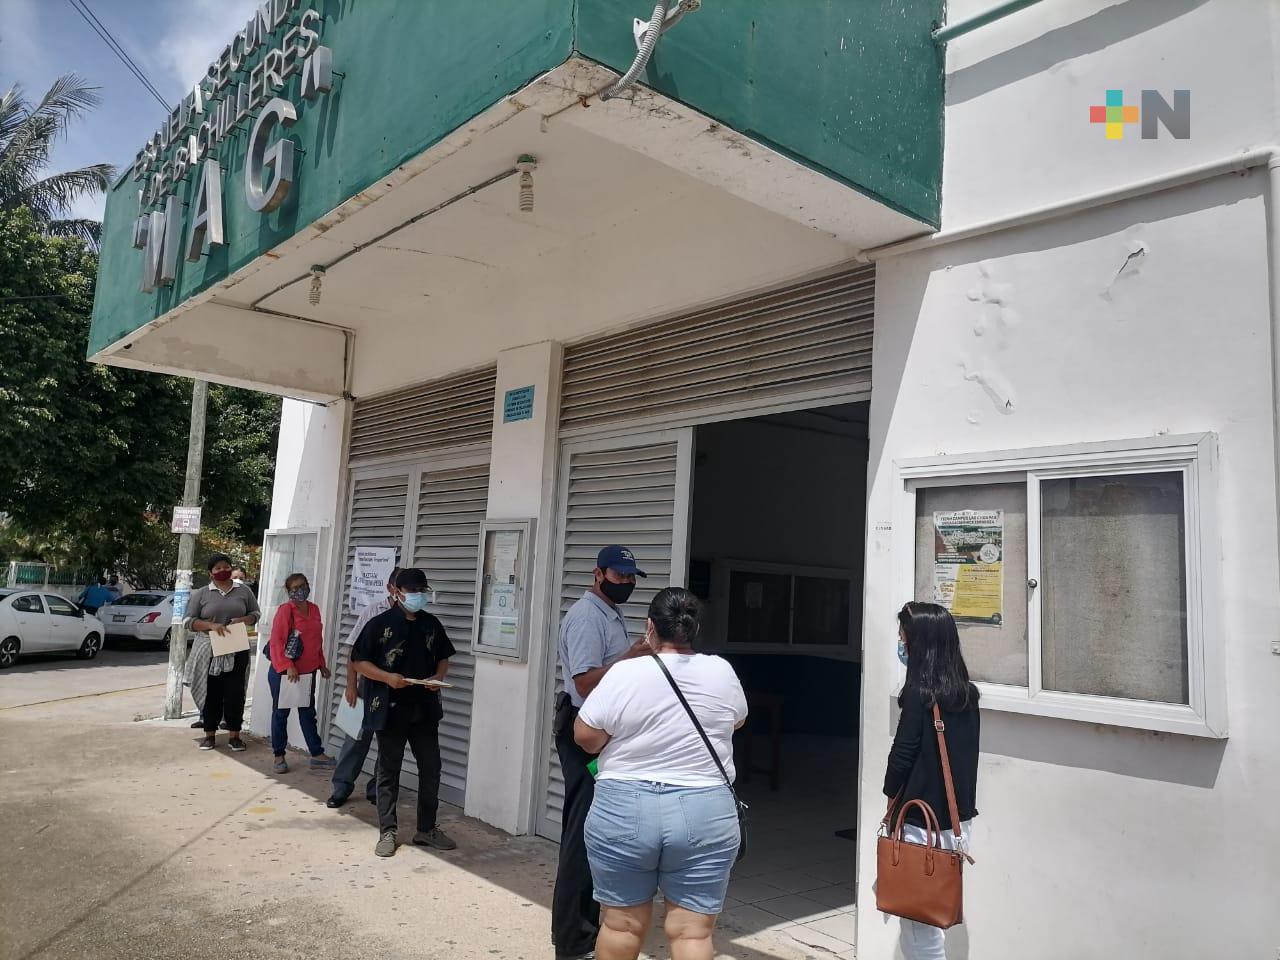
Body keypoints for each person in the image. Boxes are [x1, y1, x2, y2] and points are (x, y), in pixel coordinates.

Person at [574, 588, 747, 960]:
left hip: (624, 808)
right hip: (705, 811)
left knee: (620, 924)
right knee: (693, 935)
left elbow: (586, 737)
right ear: (695, 628)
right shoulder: (721, 671)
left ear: (650, 627)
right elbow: (737, 720)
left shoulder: (625, 673)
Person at [552, 545, 654, 960]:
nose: (626, 583)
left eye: (631, 578)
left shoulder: (609, 615)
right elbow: (583, 683)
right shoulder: (587, 618)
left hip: (601, 732)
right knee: (581, 836)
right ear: (598, 574)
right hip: (582, 732)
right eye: (619, 576)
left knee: (593, 833)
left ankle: (587, 930)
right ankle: (574, 942)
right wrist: (631, 657)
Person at [884, 602, 981, 960]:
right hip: (956, 823)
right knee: (929, 921)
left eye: (904, 636)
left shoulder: (919, 697)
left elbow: (902, 757)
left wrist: (888, 791)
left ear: (921, 643)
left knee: (918, 928)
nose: (900, 641)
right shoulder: (966, 696)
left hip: (919, 824)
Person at [350, 567, 457, 857]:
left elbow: (444, 657)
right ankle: (388, 831)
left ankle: (426, 828)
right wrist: (387, 678)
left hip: (424, 709)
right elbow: (359, 661)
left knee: (431, 768)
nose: (418, 597)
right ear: (396, 592)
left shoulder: (431, 624)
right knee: (388, 771)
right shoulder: (379, 623)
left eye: (422, 592)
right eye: (412, 592)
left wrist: (437, 677)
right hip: (390, 708)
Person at [327, 567, 401, 807]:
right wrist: (351, 686)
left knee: (388, 742)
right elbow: (353, 652)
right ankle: (341, 787)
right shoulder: (373, 611)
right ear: (390, 588)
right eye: (402, 587)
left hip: (396, 688)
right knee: (357, 738)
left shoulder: (413, 616)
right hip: (368, 684)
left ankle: (377, 789)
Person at [183, 554, 261, 751]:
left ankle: (235, 735)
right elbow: (188, 621)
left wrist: (243, 620)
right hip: (209, 647)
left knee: (235, 693)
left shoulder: (243, 590)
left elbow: (255, 614)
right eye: (217, 568)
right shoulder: (201, 594)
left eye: (226, 567)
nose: (222, 570)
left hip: (236, 646)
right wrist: (210, 625)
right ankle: (209, 734)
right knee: (212, 692)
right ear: (211, 573)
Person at [266, 573, 336, 774]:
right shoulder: (285, 610)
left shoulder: (314, 609)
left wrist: (321, 664)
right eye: (294, 588)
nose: (299, 590)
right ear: (289, 592)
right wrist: (288, 665)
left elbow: (316, 640)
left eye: (302, 586)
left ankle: (317, 753)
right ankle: (278, 755)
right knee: (281, 714)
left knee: (308, 713)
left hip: (308, 672)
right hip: (286, 673)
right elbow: (277, 641)